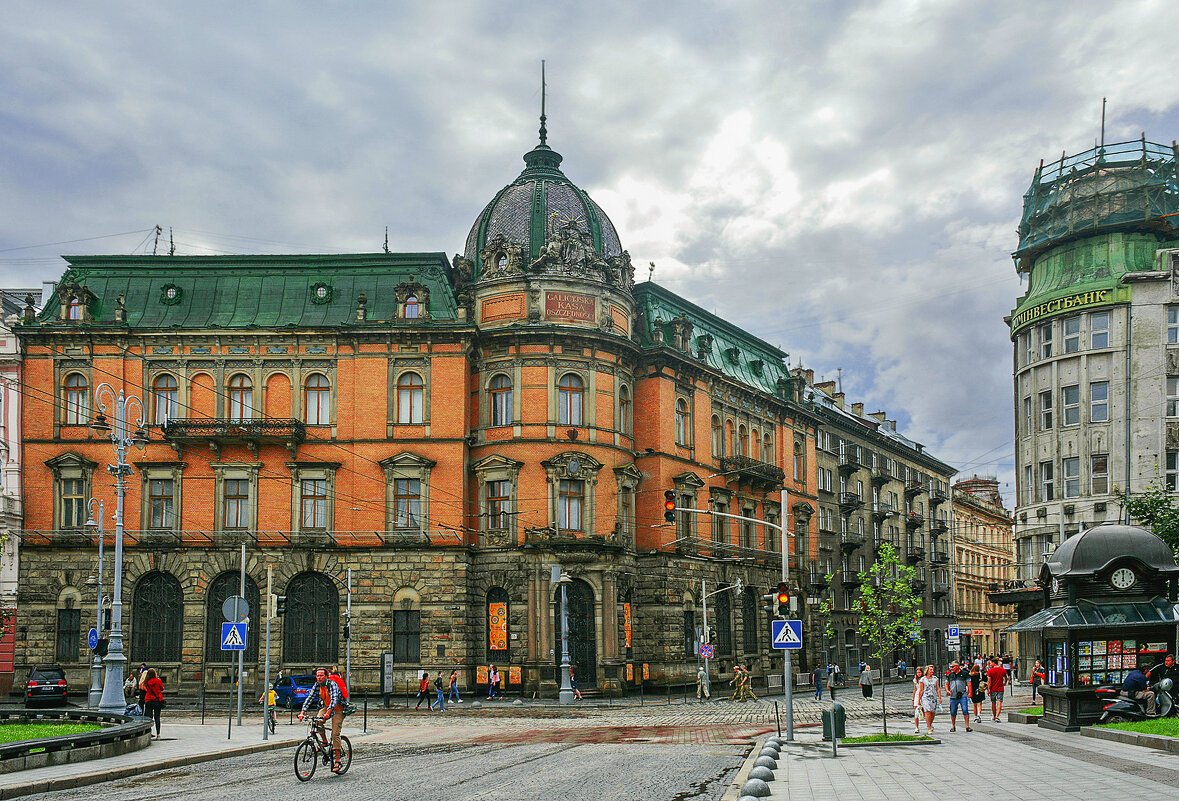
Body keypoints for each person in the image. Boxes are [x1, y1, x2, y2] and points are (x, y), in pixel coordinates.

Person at [299, 667, 344, 771]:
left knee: (335, 734)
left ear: (326, 676)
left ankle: (337, 761)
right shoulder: (317, 685)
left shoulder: (331, 684)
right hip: (326, 707)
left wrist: (328, 713)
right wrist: (302, 712)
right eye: (317, 676)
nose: (319, 678)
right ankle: (324, 741)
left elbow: (334, 699)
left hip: (338, 709)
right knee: (317, 722)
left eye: (321, 676)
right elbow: (309, 698)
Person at [944, 662, 970, 732]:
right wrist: (947, 690)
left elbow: (969, 684)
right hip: (953, 696)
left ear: (957, 666)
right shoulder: (950, 675)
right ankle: (953, 726)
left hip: (962, 695)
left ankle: (967, 726)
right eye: (951, 667)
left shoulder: (964, 674)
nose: (951, 668)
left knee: (965, 710)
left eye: (953, 667)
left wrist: (970, 693)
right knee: (953, 711)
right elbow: (946, 684)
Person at [918, 665, 941, 734]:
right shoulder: (923, 679)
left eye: (933, 670)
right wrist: (919, 699)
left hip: (933, 697)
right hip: (925, 697)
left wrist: (940, 697)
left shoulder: (935, 679)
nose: (932, 671)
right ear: (927, 671)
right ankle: (929, 727)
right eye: (931, 670)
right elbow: (921, 690)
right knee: (927, 712)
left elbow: (938, 688)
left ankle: (930, 723)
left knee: (932, 713)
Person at [142, 668, 164, 739]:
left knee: (149, 718)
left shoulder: (146, 682)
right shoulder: (158, 681)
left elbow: (144, 688)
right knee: (157, 717)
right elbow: (162, 688)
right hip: (157, 701)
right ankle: (158, 734)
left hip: (148, 700)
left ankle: (149, 732)